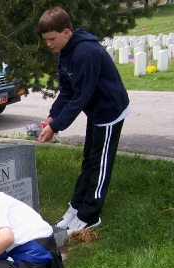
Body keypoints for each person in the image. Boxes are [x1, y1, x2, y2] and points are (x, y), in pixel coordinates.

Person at [36, 7, 131, 235]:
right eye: (45, 40)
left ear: (66, 32)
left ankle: (89, 216)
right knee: (89, 159)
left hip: (109, 111)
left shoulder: (86, 52)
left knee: (100, 165)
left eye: (52, 39)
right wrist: (52, 117)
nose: (48, 44)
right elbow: (67, 91)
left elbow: (81, 96)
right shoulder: (64, 51)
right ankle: (77, 207)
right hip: (95, 111)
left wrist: (56, 127)